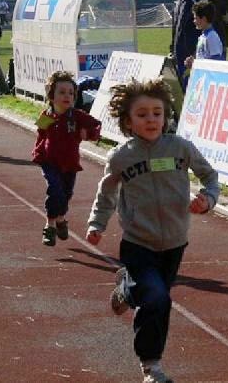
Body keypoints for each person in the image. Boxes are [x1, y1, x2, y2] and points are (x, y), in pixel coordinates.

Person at [87, 78, 219, 383]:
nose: (151, 119)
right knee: (158, 299)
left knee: (152, 297)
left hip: (174, 243)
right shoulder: (121, 156)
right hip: (138, 243)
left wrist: (207, 199)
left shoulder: (180, 148)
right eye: (143, 114)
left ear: (167, 115)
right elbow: (106, 194)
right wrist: (97, 223)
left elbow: (210, 176)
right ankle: (151, 366)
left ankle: (125, 290)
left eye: (157, 113)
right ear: (128, 121)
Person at [32, 71, 101, 247]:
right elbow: (40, 135)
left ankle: (61, 219)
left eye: (70, 93)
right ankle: (50, 226)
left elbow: (96, 125)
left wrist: (89, 133)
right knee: (54, 190)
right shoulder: (47, 115)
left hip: (70, 163)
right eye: (62, 92)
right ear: (51, 95)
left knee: (66, 194)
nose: (67, 96)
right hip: (49, 161)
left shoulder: (77, 116)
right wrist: (38, 153)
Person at [170, 0, 205, 90]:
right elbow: (176, 27)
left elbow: (207, 23)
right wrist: (172, 48)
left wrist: (197, 52)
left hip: (192, 51)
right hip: (179, 52)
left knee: (194, 89)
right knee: (181, 87)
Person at [184, 0, 223, 72]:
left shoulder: (212, 36)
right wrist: (193, 61)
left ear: (204, 19)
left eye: (195, 18)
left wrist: (198, 65)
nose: (194, 21)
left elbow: (217, 61)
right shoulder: (202, 36)